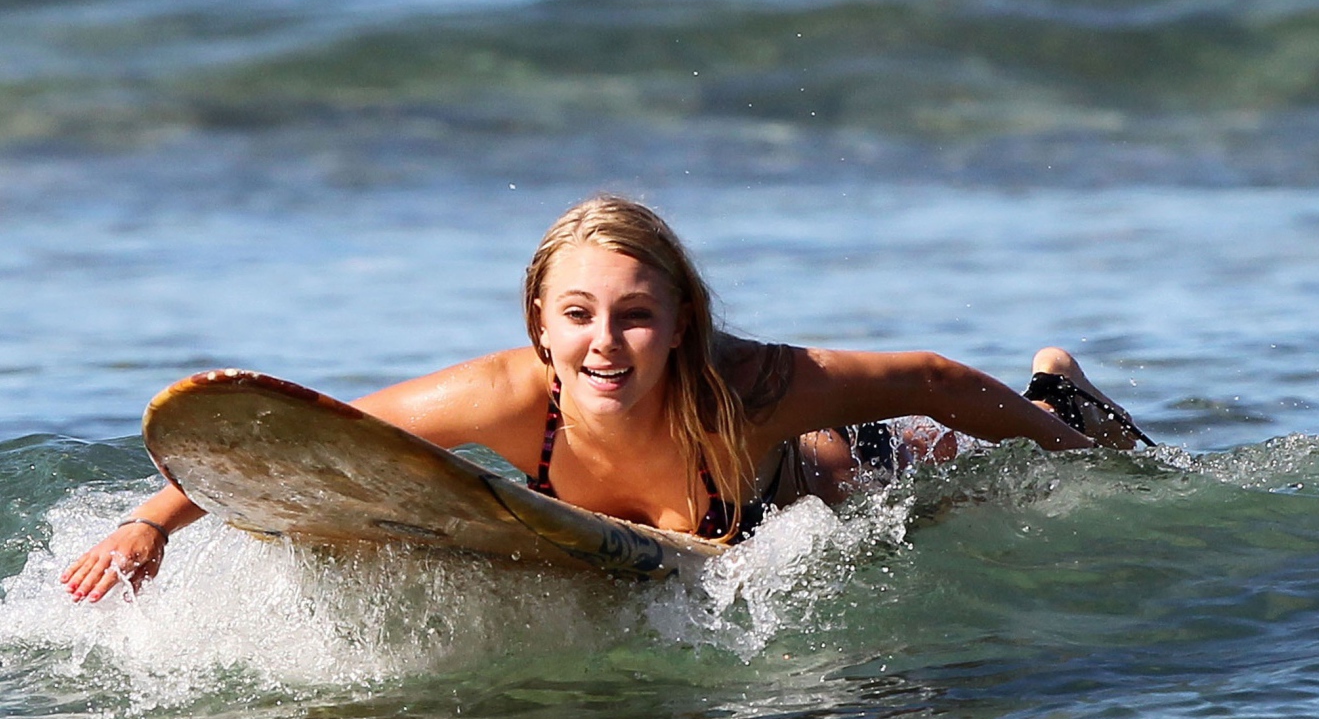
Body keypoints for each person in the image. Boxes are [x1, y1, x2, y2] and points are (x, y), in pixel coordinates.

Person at [61, 195, 1151, 603]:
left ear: (681, 320)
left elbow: (931, 381)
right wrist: (148, 524)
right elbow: (298, 441)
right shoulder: (504, 396)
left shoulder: (754, 381)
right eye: (576, 314)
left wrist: (1055, 442)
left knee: (967, 484)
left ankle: (1064, 388)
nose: (605, 341)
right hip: (682, 539)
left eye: (634, 314)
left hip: (847, 474)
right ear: (539, 321)